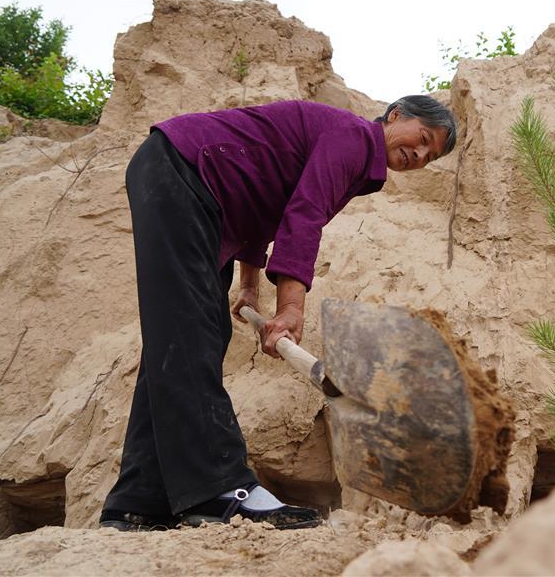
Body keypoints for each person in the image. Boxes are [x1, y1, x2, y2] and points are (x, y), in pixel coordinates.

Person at [98, 96, 457, 531]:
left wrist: (249, 286)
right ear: (396, 115)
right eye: (422, 140)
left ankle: (140, 500)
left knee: (188, 336)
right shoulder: (354, 138)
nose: (419, 155)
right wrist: (290, 308)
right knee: (189, 334)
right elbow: (303, 217)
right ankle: (220, 486)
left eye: (429, 156)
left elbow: (266, 209)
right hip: (184, 172)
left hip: (197, 191)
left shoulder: (353, 153)